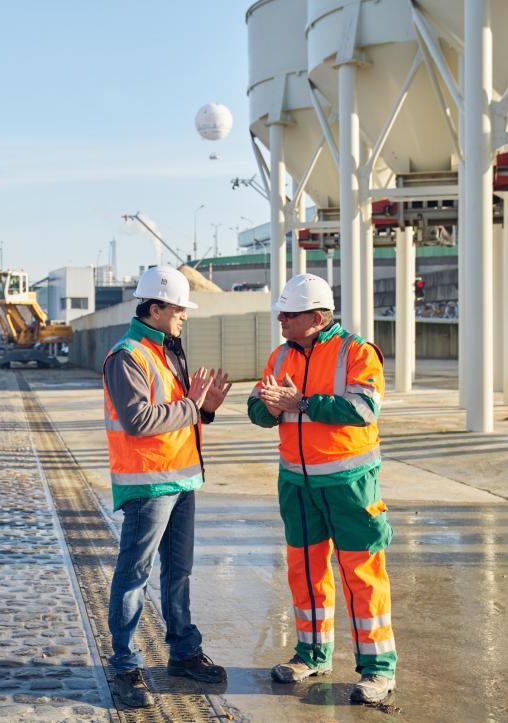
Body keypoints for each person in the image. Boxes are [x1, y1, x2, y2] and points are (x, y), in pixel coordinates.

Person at [249, 273, 397, 704]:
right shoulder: (280, 357)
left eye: (289, 314)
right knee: (305, 573)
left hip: (350, 485)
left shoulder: (357, 352)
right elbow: (258, 408)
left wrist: (303, 403)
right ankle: (311, 654)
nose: (281, 319)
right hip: (296, 484)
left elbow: (364, 407)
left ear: (316, 317)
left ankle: (377, 671)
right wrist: (268, 406)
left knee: (362, 577)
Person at [102, 265, 232, 708]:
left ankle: (183, 652)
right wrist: (193, 407)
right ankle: (125, 665)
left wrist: (204, 411)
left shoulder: (165, 350)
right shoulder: (127, 356)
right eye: (178, 309)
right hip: (148, 486)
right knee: (133, 575)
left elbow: (179, 417)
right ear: (154, 309)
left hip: (182, 479)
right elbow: (138, 420)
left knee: (179, 572)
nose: (184, 317)